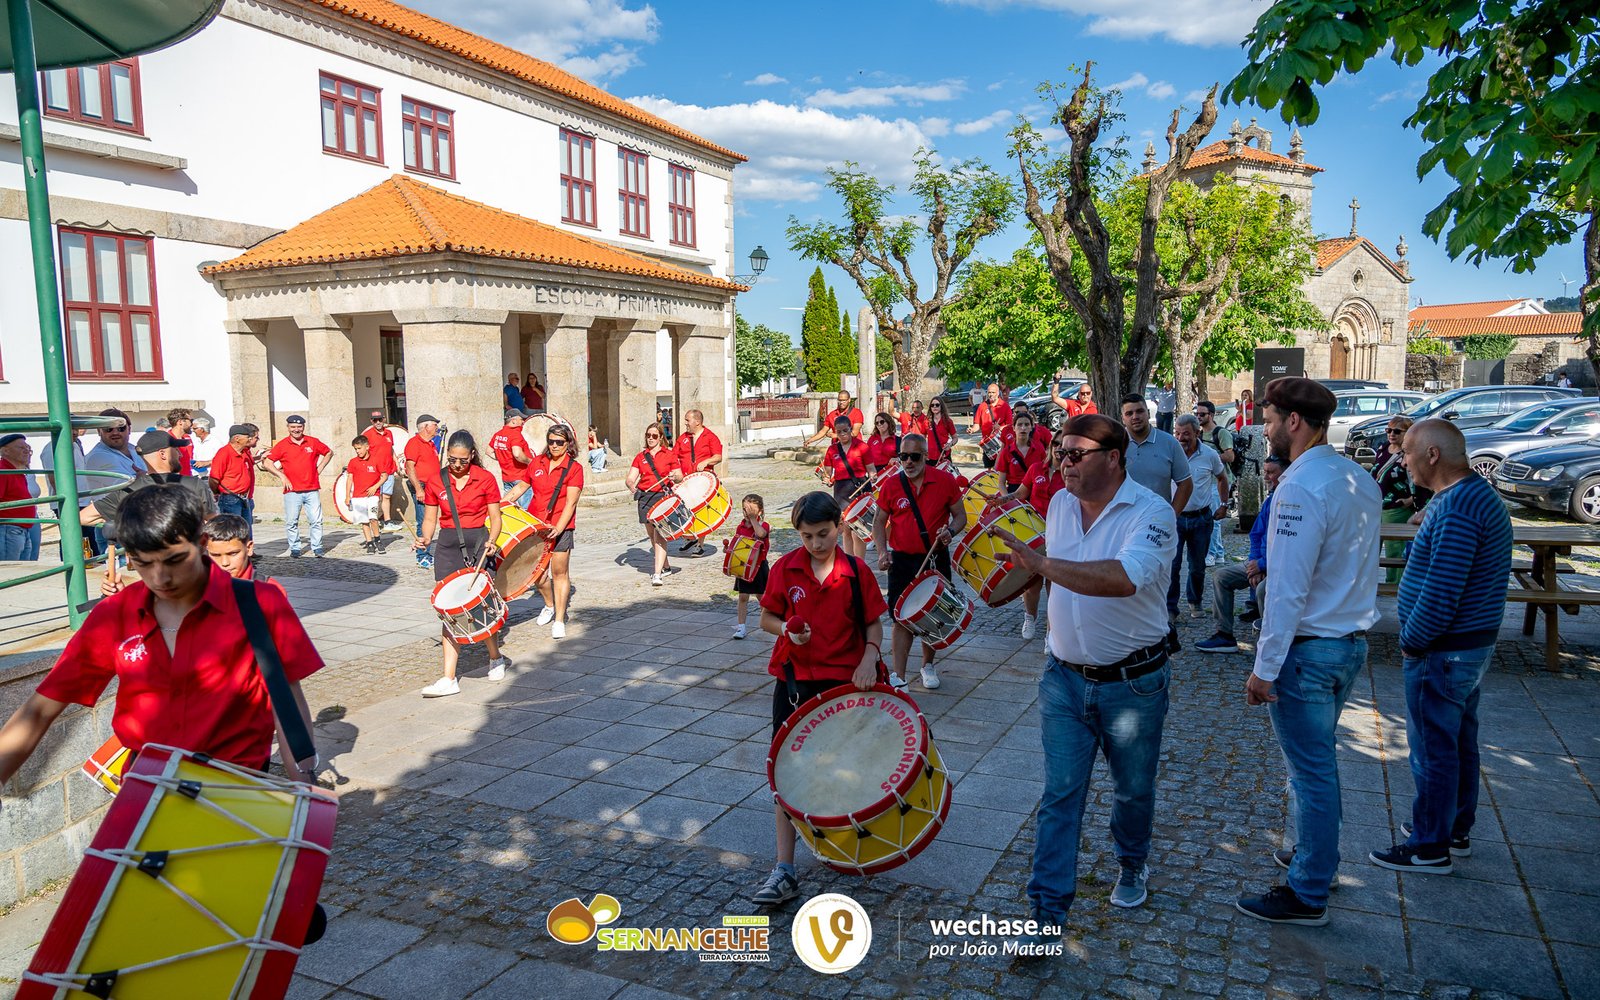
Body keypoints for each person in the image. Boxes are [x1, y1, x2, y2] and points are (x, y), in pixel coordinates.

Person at [990, 414, 1178, 946]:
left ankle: (1132, 862)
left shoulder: (1153, 512)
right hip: (1063, 679)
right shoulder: (1058, 504)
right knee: (1060, 794)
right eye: (1059, 452)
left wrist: (1041, 564)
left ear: (1113, 458)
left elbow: (1123, 578)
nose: (1063, 462)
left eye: (1075, 454)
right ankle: (1046, 915)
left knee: (1133, 790)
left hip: (1133, 684)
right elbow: (1049, 575)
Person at [0, 487, 322, 787]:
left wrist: (304, 785)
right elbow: (39, 710)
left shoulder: (259, 602)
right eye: (144, 563)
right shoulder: (114, 615)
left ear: (202, 543)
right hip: (144, 788)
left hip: (236, 788)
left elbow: (288, 702)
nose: (160, 578)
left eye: (174, 560)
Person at [1237, 377, 1381, 927]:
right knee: (1317, 766)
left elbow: (1287, 588)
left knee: (1310, 772)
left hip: (1310, 649)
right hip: (1346, 643)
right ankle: (1316, 857)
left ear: (1294, 421)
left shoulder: (1298, 486)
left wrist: (1264, 667)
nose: (1265, 429)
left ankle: (1309, 888)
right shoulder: (1355, 476)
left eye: (1270, 419)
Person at [1367, 419, 1511, 874]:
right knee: (1457, 741)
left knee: (1434, 748)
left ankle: (1430, 845)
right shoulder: (1464, 497)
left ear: (1433, 455)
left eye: (1407, 452)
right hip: (1465, 646)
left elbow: (1443, 591)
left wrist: (1411, 641)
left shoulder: (1458, 507)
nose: (1401, 460)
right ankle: (1453, 829)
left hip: (1445, 650)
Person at [751, 491, 887, 906]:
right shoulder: (786, 568)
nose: (815, 544)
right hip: (795, 684)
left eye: (823, 534)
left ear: (839, 527)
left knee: (844, 768)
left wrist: (869, 658)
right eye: (807, 536)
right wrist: (787, 631)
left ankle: (843, 842)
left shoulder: (856, 572)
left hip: (845, 685)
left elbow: (874, 625)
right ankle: (784, 868)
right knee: (787, 771)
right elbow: (766, 618)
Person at [414, 431, 511, 697]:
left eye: (463, 460)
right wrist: (425, 538)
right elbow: (430, 518)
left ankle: (495, 658)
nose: (457, 465)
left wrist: (492, 540)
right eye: (452, 460)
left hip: (478, 542)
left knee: (481, 605)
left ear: (472, 456)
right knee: (449, 609)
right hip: (447, 546)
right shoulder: (437, 480)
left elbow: (496, 517)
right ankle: (448, 678)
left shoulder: (485, 478)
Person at [874, 432, 966, 692]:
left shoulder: (945, 481)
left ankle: (927, 665)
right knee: (900, 618)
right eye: (903, 456)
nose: (908, 462)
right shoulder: (892, 485)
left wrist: (950, 532)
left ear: (926, 456)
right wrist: (882, 552)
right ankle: (899, 676)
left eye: (914, 456)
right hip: (902, 560)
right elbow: (879, 521)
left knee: (933, 615)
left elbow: (961, 516)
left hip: (935, 557)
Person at [1198, 455, 1289, 653]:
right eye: (1265, 472)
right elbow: (1256, 535)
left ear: (1284, 473)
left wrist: (1262, 565)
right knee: (1221, 576)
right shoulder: (1270, 500)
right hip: (1261, 562)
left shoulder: (1291, 501)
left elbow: (1288, 547)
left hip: (1281, 567)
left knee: (1263, 589)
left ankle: (1270, 644)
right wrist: (1254, 562)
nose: (1266, 477)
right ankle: (1224, 635)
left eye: (1271, 472)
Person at [507, 423, 584, 638]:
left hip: (561, 527)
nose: (554, 446)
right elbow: (521, 487)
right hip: (536, 526)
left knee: (559, 572)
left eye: (559, 442)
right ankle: (549, 605)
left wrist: (559, 528)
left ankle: (559, 619)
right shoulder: (537, 463)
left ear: (568, 443)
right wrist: (502, 505)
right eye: (551, 441)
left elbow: (571, 503)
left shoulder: (574, 468)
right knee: (537, 575)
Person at [100, 511, 277, 598]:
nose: (224, 563)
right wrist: (122, 596)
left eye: (233, 553)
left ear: (249, 548)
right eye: (215, 555)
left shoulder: (268, 591)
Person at [83, 431, 216, 544]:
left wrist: (134, 525)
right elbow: (213, 522)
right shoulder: (194, 485)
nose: (180, 455)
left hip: (149, 558)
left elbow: (84, 517)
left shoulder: (129, 491)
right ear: (163, 454)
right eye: (176, 450)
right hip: (187, 557)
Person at [1169, 415, 1229, 621]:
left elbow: (1222, 478)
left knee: (1197, 566)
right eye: (1177, 433)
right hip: (1174, 518)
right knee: (1172, 565)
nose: (1181, 438)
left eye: (1186, 434)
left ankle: (1195, 600)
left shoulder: (1210, 455)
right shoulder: (1171, 453)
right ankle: (1170, 607)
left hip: (1201, 518)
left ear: (1197, 432)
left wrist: (1224, 504)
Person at [1013, 433, 1070, 640]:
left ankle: (1050, 633)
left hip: (1061, 536)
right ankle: (1030, 617)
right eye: (1056, 443)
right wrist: (1002, 500)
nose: (1059, 448)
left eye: (1064, 445)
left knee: (1054, 588)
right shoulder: (1036, 468)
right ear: (1050, 446)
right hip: (1034, 534)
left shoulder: (1073, 472)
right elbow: (1020, 494)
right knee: (1031, 585)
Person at [1373, 415, 1430, 584]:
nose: (1391, 434)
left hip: (1397, 508)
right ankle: (1371, 585)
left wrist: (1410, 500)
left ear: (1408, 433)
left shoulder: (1410, 454)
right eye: (1388, 430)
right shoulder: (1383, 448)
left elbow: (1422, 481)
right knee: (1372, 548)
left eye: (1397, 431)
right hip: (1377, 505)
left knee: (1395, 549)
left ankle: (1394, 585)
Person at [264, 416, 332, 559]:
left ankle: (317, 547)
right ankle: (295, 547)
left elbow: (328, 452)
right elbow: (267, 463)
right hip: (292, 491)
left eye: (299, 427)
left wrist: (319, 468)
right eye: (293, 427)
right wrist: (282, 476)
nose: (296, 429)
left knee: (316, 520)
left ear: (303, 427)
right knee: (292, 521)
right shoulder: (282, 445)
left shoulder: (312, 442)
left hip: (312, 488)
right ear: (288, 427)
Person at [626, 423, 680, 586]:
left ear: (661, 437)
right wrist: (631, 485)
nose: (650, 438)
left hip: (662, 497)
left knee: (659, 535)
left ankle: (657, 574)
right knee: (652, 535)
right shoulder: (640, 456)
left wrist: (674, 477)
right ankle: (666, 566)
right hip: (645, 497)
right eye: (648, 435)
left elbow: (680, 476)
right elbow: (631, 477)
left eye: (654, 436)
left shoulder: (669, 454)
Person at [818, 414, 874, 559]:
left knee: (858, 530)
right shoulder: (832, 450)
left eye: (845, 430)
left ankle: (859, 563)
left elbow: (871, 470)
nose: (842, 434)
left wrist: (873, 477)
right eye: (839, 431)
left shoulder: (862, 446)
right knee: (846, 529)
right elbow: (828, 473)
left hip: (859, 488)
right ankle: (849, 561)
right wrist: (826, 478)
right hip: (841, 491)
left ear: (851, 429)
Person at [41, 426, 102, 557]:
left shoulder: (74, 445)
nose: (75, 432)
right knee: (73, 539)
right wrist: (67, 503)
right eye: (71, 428)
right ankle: (70, 564)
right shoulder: (52, 448)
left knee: (88, 540)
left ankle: (88, 564)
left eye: (76, 428)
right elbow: (54, 479)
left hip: (82, 500)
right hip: (70, 502)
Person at [674, 409, 724, 555]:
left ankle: (699, 544)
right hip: (686, 480)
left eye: (687, 420)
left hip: (702, 480)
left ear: (697, 421)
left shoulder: (710, 437)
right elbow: (674, 456)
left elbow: (718, 456)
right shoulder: (683, 438)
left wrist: (706, 461)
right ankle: (689, 537)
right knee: (685, 510)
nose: (685, 423)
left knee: (700, 510)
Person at [1195, 400, 1237, 566]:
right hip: (1206, 481)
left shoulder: (1221, 433)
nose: (1199, 417)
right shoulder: (1199, 435)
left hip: (1220, 481)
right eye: (1197, 414)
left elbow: (1230, 456)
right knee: (1213, 519)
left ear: (1211, 415)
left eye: (1202, 414)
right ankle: (1219, 553)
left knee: (1213, 519)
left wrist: (1210, 458)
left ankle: (1211, 554)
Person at [404, 414, 444, 569]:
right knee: (423, 520)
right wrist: (418, 489)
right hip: (422, 486)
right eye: (435, 425)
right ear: (426, 427)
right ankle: (422, 555)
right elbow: (410, 467)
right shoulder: (414, 443)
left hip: (432, 486)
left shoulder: (431, 443)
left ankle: (426, 552)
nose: (437, 428)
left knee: (430, 520)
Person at [730, 494, 770, 639]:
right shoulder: (740, 527)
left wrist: (753, 519)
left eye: (751, 510)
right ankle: (741, 627)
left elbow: (761, 534)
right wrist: (728, 550)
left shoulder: (764, 525)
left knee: (762, 596)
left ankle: (767, 621)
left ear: (760, 511)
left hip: (759, 566)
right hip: (744, 566)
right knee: (743, 597)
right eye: (745, 510)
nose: (747, 513)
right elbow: (736, 545)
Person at [344, 434, 391, 554]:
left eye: (359, 448)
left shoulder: (376, 459)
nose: (357, 451)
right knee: (364, 520)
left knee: (373, 518)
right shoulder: (353, 462)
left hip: (372, 495)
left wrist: (375, 487)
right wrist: (347, 496)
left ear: (367, 447)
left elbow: (384, 475)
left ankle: (377, 539)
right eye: (355, 449)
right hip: (358, 495)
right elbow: (350, 479)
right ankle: (369, 542)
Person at [209, 424, 258, 534]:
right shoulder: (224, 453)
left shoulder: (244, 452)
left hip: (244, 497)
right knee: (233, 530)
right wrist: (217, 492)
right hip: (230, 498)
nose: (249, 439)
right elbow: (214, 478)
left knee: (246, 529)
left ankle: (247, 545)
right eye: (247, 437)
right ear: (237, 438)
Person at [0, 435, 41, 561]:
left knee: (22, 567)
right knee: (10, 568)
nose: (26, 451)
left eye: (28, 448)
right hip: (9, 529)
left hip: (19, 528)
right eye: (21, 448)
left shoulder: (16, 471)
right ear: (5, 451)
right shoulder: (3, 471)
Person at [85, 408, 147, 483]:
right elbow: (124, 485)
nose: (115, 433)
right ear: (99, 431)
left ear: (129, 429)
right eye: (108, 429)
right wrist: (147, 477)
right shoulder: (97, 457)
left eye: (121, 428)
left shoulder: (135, 450)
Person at [363, 411, 400, 528]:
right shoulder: (368, 434)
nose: (378, 422)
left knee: (386, 496)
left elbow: (391, 449)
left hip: (389, 469)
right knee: (375, 497)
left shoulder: (389, 433)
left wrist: (397, 463)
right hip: (375, 471)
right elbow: (363, 452)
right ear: (371, 421)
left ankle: (387, 521)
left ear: (384, 419)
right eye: (375, 420)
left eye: (380, 419)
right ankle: (373, 520)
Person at [490, 410, 534, 511]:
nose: (523, 421)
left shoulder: (498, 435)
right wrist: (530, 462)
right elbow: (517, 454)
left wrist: (503, 458)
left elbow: (489, 451)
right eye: (521, 419)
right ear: (513, 421)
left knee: (507, 508)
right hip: (521, 478)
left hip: (506, 478)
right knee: (525, 510)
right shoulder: (515, 434)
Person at [971, 383, 1012, 469]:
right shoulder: (982, 406)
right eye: (989, 392)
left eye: (993, 392)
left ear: (998, 393)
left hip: (1001, 443)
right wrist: (972, 430)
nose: (990, 394)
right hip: (988, 444)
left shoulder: (1005, 406)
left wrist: (1000, 428)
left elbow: (1010, 425)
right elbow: (977, 424)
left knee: (1002, 469)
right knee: (989, 470)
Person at [925, 397, 959, 467]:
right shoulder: (926, 421)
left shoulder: (948, 421)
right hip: (930, 457)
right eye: (932, 405)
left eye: (937, 405)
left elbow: (955, 437)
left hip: (944, 455)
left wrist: (950, 444)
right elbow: (922, 437)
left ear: (941, 406)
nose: (934, 407)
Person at [166, 408, 196, 476]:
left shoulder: (185, 440)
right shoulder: (167, 440)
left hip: (188, 479)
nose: (192, 424)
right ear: (180, 422)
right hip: (176, 481)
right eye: (190, 420)